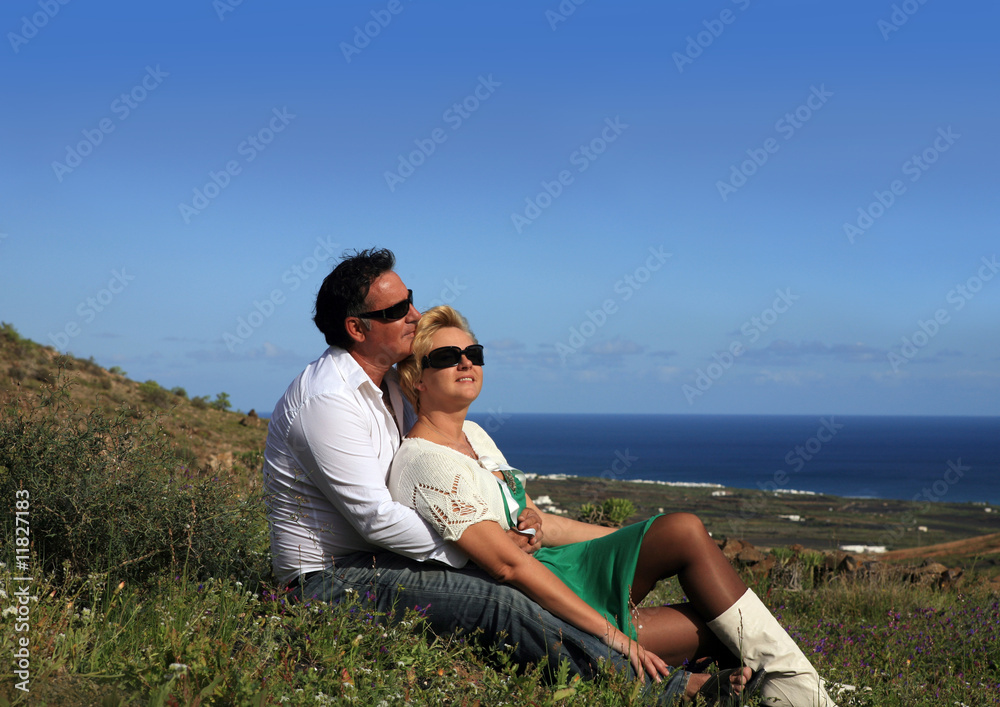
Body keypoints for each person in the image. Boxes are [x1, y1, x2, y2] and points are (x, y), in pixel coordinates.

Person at [263, 248, 706, 704]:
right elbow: (375, 519)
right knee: (495, 598)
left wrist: (504, 531)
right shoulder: (329, 400)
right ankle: (670, 691)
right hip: (326, 580)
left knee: (510, 581)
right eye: (396, 311)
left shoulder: (388, 385)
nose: (414, 315)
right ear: (357, 328)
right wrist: (472, 548)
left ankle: (687, 650)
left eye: (410, 300)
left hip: (378, 561)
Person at [388, 304, 838, 707]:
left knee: (680, 530)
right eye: (447, 357)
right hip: (543, 598)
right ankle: (797, 694)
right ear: (416, 377)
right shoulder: (423, 462)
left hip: (566, 566)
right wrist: (618, 641)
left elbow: (537, 524)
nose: (466, 362)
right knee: (715, 626)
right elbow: (509, 568)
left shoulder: (478, 437)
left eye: (474, 353)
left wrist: (629, 542)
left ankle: (790, 690)